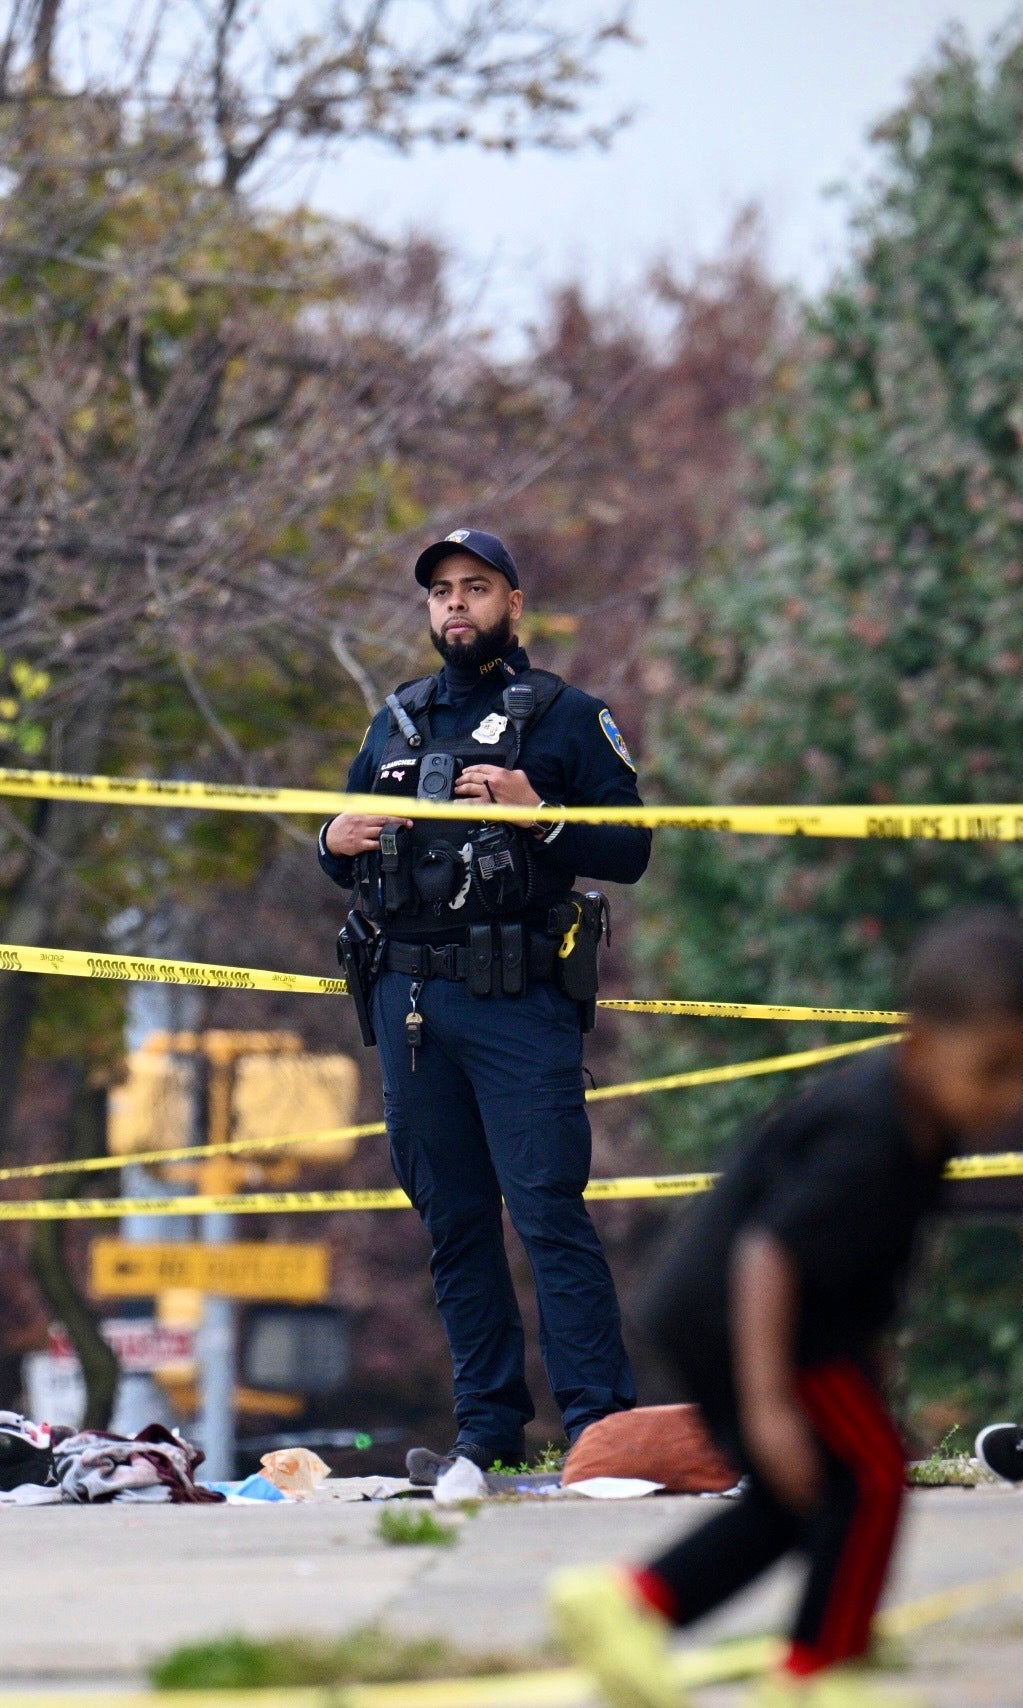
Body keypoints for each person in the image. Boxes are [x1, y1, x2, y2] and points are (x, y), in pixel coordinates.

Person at [550, 910, 1023, 1708]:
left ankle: (629, 1605)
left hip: (736, 1315)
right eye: (995, 1069)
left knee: (803, 1502)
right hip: (742, 1318)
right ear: (922, 1043)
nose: (1012, 1096)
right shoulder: (871, 1130)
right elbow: (770, 1253)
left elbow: (867, 1262)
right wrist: (770, 1406)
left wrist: (872, 1360)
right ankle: (822, 1670)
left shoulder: (926, 1124)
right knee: (872, 1476)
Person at [318, 527, 650, 1475]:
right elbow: (340, 847)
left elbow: (631, 849)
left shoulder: (567, 717)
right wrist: (330, 840)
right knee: (453, 1223)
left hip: (516, 1000)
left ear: (513, 604)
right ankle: (486, 1435)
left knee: (547, 1209)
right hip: (406, 1003)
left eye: (475, 588)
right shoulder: (397, 720)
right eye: (440, 592)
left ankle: (597, 1430)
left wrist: (535, 809)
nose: (454, 604)